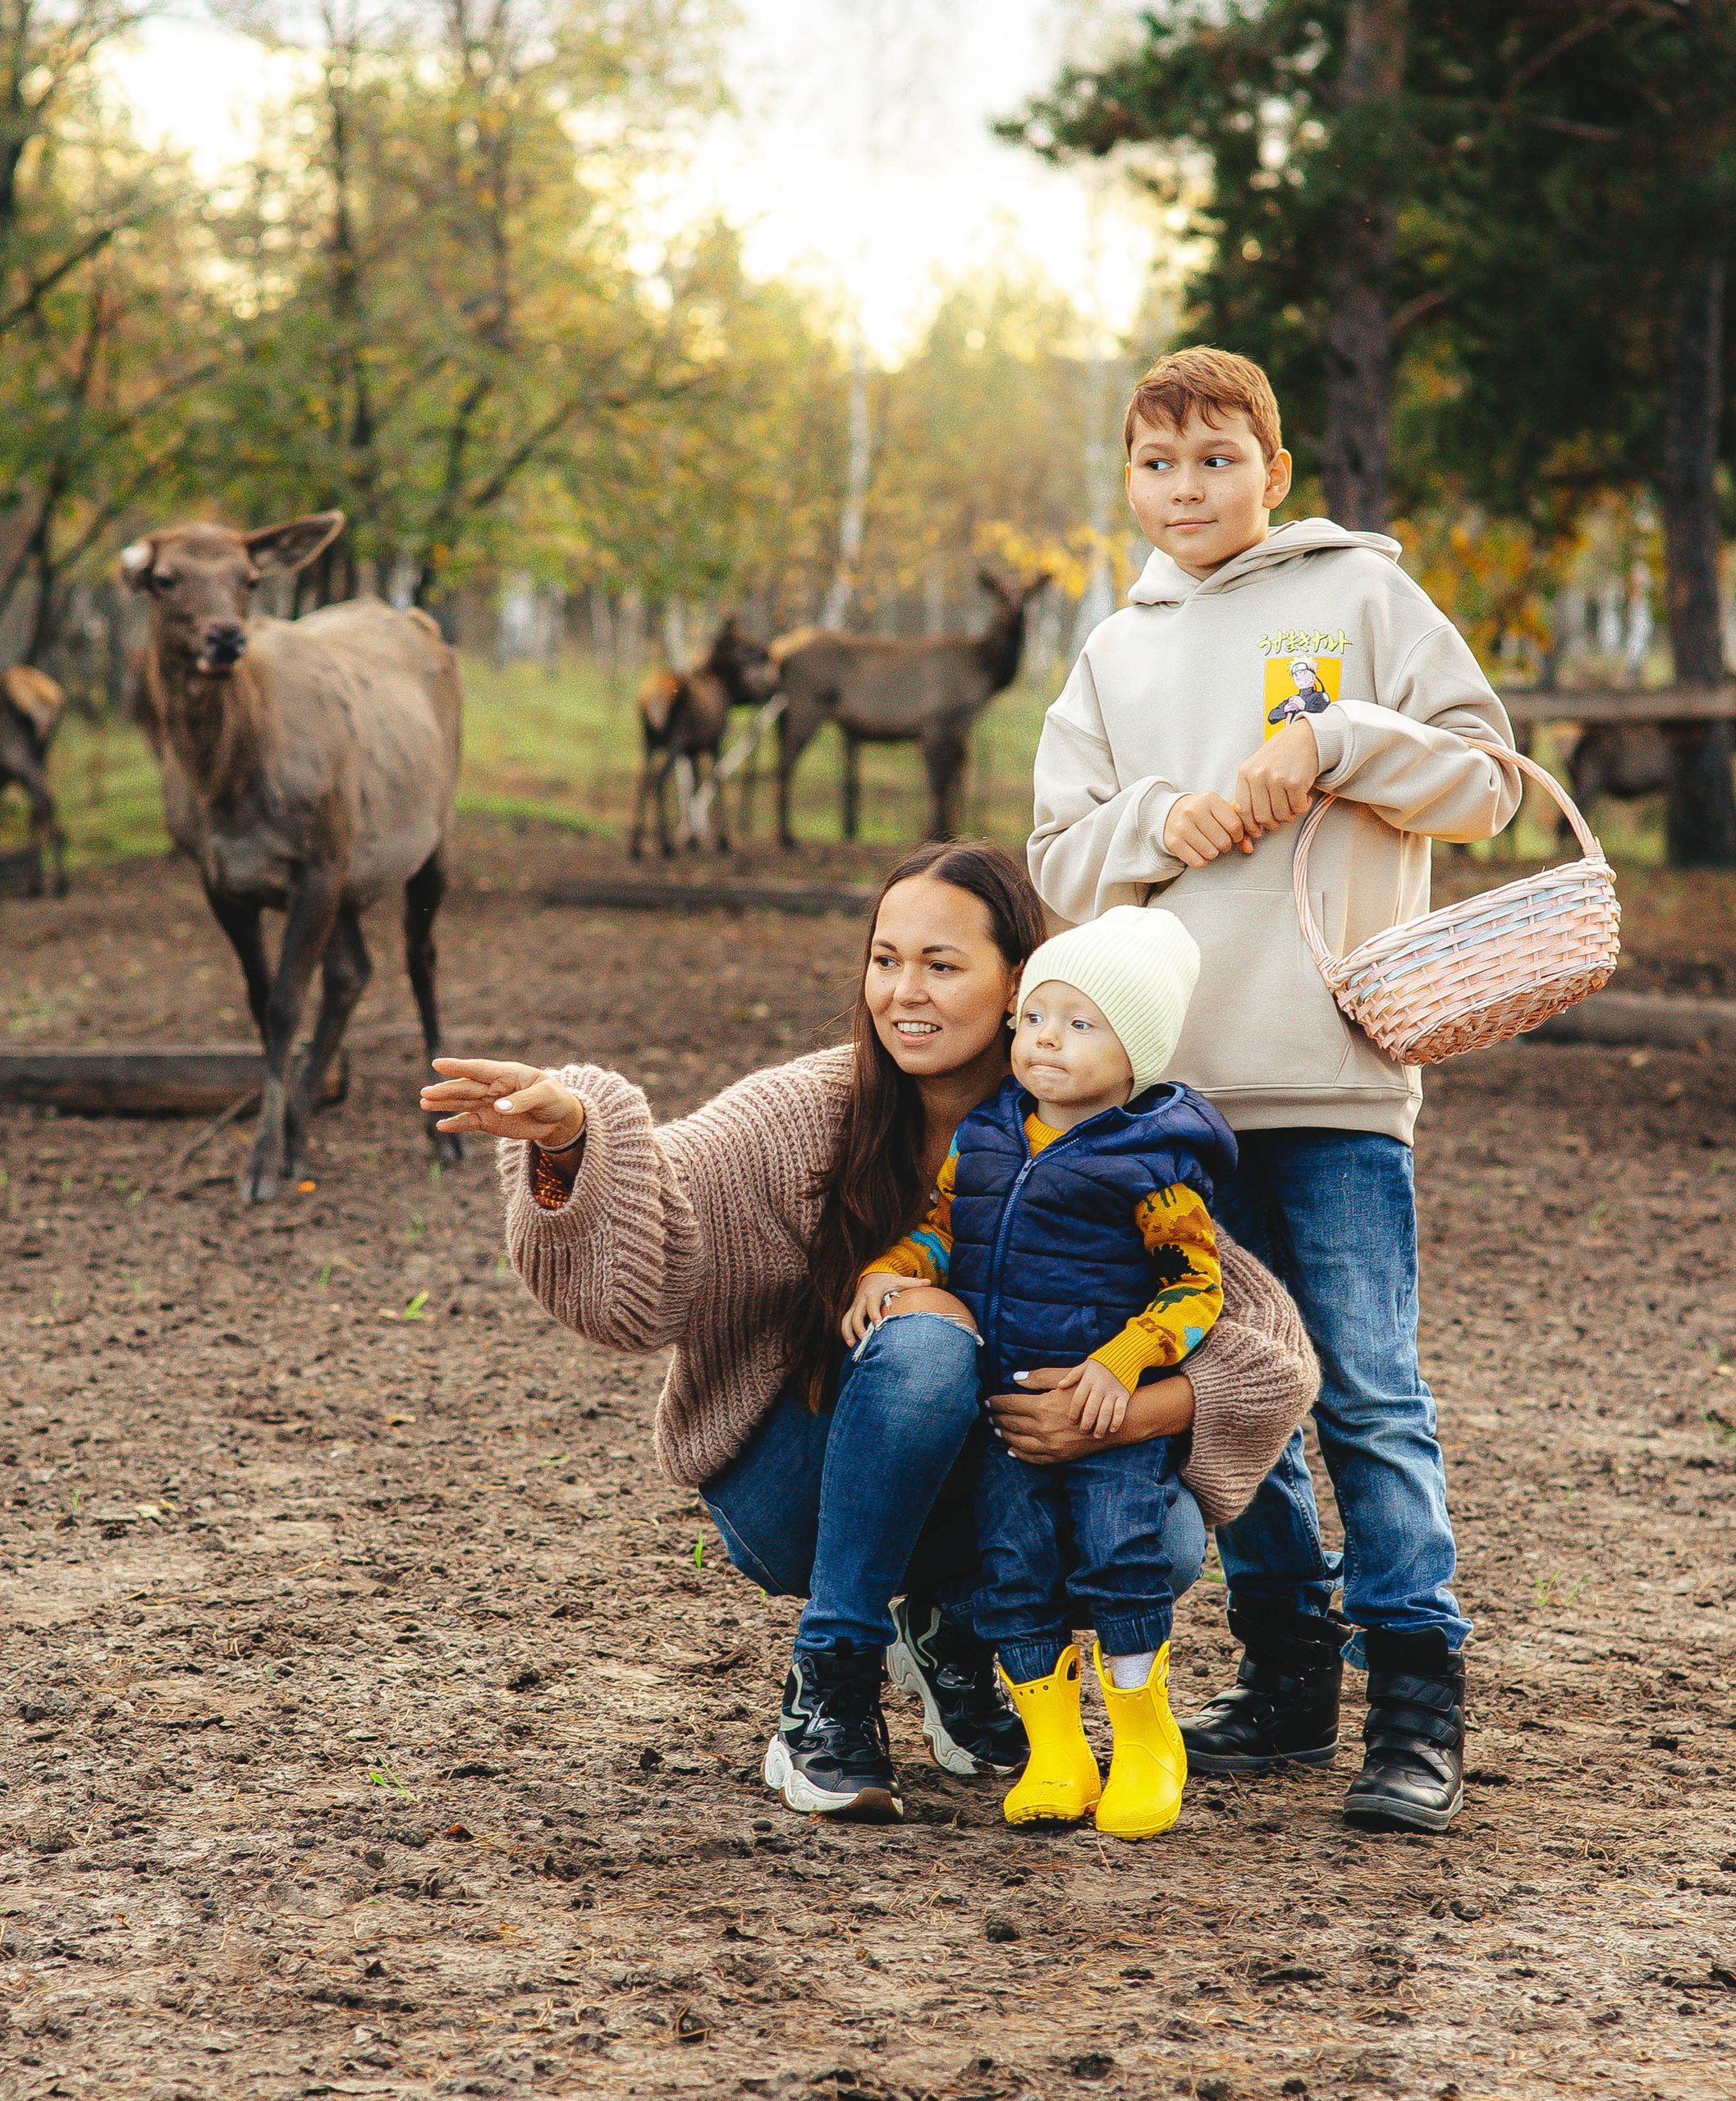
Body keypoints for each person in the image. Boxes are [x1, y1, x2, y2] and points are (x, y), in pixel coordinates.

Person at [419, 840, 1319, 1825]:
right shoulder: (808, 1110)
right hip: (793, 1489)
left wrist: (1127, 1408)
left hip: (995, 1478)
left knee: (1162, 1527)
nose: (903, 991)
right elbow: (653, 1245)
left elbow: (1265, 1340)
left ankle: (954, 1638)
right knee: (931, 1336)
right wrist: (574, 1138)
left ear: (1020, 982)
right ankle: (831, 1680)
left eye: (941, 964)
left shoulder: (1086, 1129)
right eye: (885, 959)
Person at [1028, 346, 1523, 1834]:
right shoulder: (1116, 651)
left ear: (1274, 471)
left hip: (1337, 1083)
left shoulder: (1363, 599)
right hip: (1172, 1104)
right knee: (1238, 1398)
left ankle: (1416, 1706)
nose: (1187, 490)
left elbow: (1489, 780)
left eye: (1217, 460)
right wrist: (1158, 818)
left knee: (1368, 1392)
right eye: (1158, 464)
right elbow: (1055, 855)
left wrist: (1335, 742)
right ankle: (1293, 1678)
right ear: (1131, 479)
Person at [846, 906, 1232, 1841]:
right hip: (1004, 1416)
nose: (1046, 1040)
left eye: (1080, 1022)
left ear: (1132, 1051)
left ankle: (1145, 1739)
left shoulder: (1153, 1162)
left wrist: (1121, 1365)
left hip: (1102, 1413)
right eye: (1035, 1019)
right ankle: (1054, 1744)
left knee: (1120, 1555)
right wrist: (893, 1265)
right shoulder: (987, 1137)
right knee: (1013, 1568)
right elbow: (948, 1228)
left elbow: (1195, 1288)